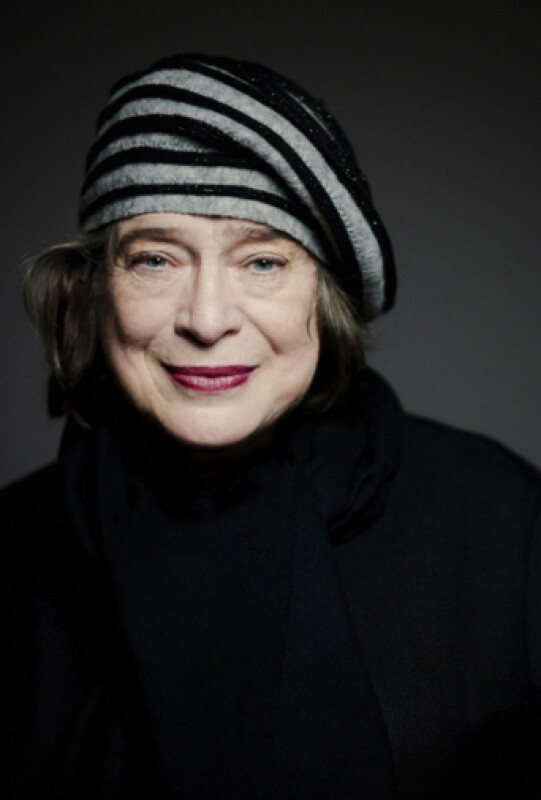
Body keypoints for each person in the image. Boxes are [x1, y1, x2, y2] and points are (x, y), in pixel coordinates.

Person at [2, 54, 540, 800]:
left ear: (324, 294)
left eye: (261, 262)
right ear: (96, 291)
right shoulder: (17, 545)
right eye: (155, 259)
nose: (207, 319)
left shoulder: (500, 522)